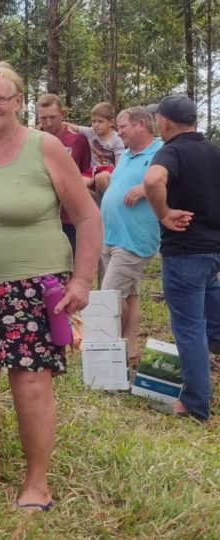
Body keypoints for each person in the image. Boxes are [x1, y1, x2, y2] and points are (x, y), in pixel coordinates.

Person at [0, 62, 100, 511]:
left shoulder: (44, 147)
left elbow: (87, 216)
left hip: (30, 288)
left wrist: (83, 280)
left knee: (30, 382)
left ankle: (36, 483)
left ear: (17, 102)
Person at [142, 94, 220, 422]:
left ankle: (194, 404)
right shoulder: (214, 150)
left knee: (190, 328)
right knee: (211, 317)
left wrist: (163, 213)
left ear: (164, 121)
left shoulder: (171, 150)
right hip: (214, 250)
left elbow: (152, 180)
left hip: (185, 251)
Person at [99, 107, 163, 367]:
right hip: (112, 235)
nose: (119, 131)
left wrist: (146, 188)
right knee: (130, 295)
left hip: (135, 238)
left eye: (123, 126)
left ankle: (111, 348)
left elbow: (173, 183)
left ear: (141, 125)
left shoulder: (161, 152)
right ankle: (131, 349)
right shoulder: (125, 154)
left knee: (109, 295)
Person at [36, 93, 93, 252]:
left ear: (62, 114)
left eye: (53, 117)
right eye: (43, 118)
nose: (48, 122)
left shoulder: (77, 140)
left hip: (69, 217)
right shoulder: (33, 140)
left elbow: (86, 172)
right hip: (40, 217)